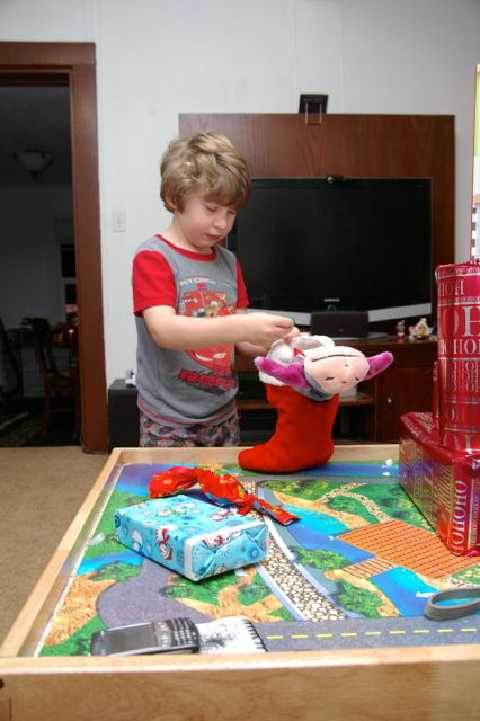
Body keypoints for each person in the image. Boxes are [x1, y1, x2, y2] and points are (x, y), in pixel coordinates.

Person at [132, 132, 295, 447]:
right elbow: (164, 331)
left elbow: (242, 340)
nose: (222, 224)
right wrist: (243, 325)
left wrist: (277, 339)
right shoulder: (153, 257)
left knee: (224, 480)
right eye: (210, 209)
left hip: (223, 413)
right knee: (174, 482)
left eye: (230, 213)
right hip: (168, 419)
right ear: (175, 198)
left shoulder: (229, 262)